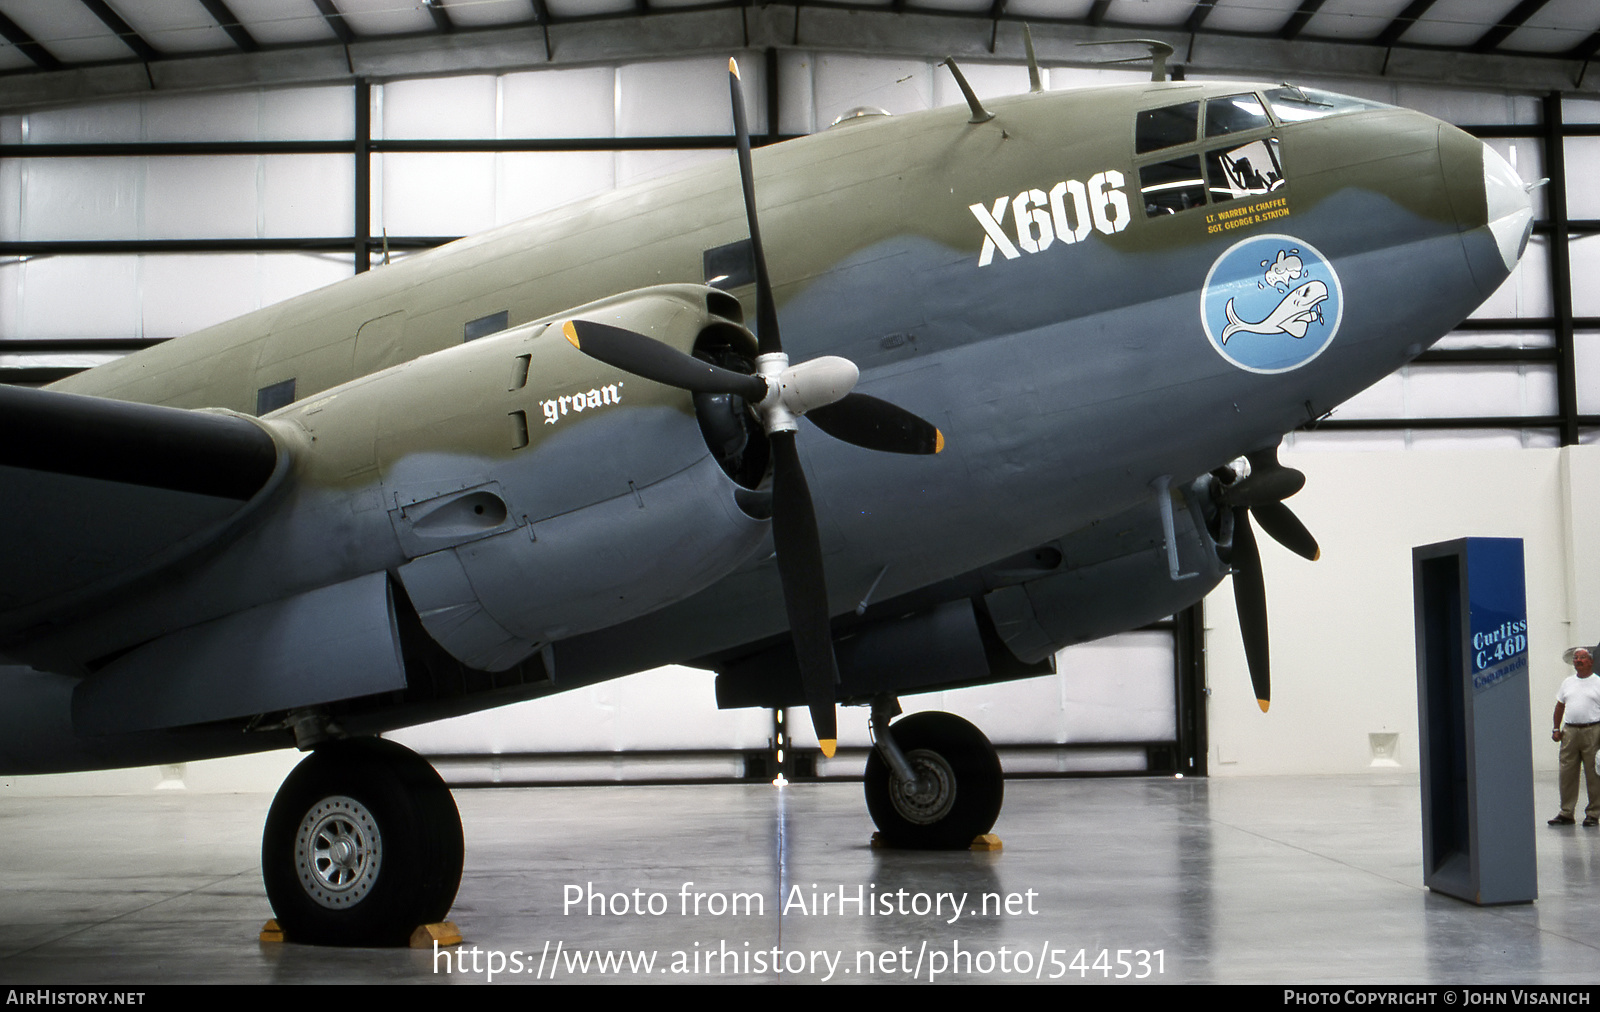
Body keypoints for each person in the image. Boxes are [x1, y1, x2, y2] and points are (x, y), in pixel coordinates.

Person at [1549, 648, 1600, 826]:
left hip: (1593, 730)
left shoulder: (1598, 683)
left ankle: (1593, 813)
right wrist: (1556, 728)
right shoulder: (1567, 683)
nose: (1578, 660)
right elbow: (1560, 706)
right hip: (1570, 731)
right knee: (1567, 772)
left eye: (1582, 658)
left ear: (1591, 661)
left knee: (1594, 773)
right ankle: (1566, 812)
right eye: (1576, 658)